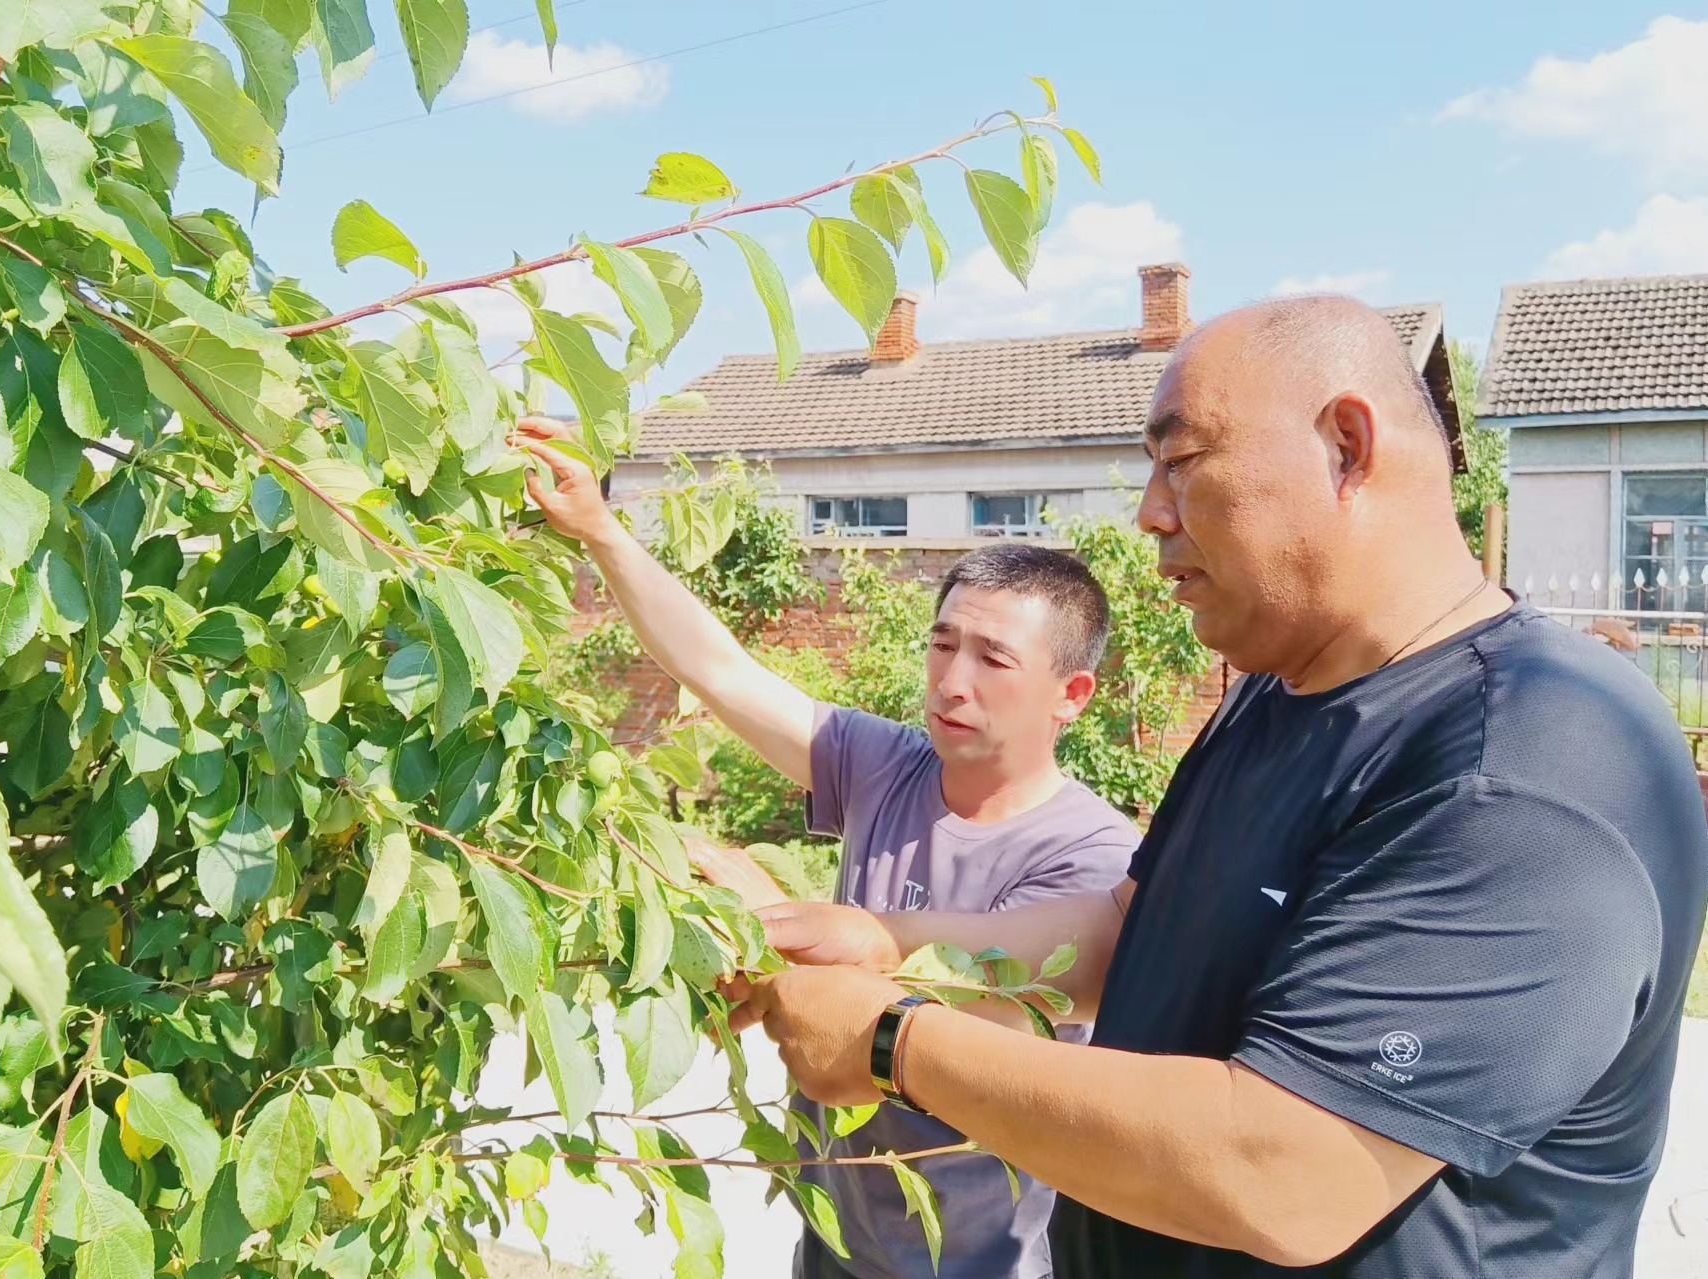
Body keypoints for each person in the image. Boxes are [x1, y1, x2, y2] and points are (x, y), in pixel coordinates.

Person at [725, 296, 1708, 1277]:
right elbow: (1129, 928)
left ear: (1347, 447)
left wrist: (899, 1042)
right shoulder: (1276, 695)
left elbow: (1292, 1169)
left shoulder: (1531, 762)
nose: (1150, 510)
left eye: (1181, 462)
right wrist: (890, 943)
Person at [514, 420, 1141, 1279]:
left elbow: (964, 1015)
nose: (952, 679)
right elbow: (723, 671)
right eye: (941, 643)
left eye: (992, 657)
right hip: (838, 1236)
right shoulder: (885, 764)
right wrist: (601, 530)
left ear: (1071, 694)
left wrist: (751, 930)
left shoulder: (1094, 857)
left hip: (979, 1261)